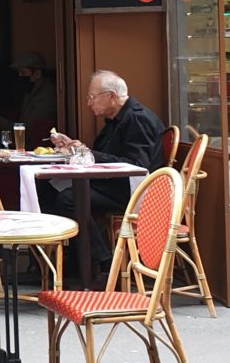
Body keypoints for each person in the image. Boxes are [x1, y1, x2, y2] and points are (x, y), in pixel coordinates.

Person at [48, 70, 165, 275]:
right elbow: (104, 155)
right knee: (50, 187)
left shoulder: (137, 119)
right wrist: (77, 148)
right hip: (116, 184)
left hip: (137, 192)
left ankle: (103, 261)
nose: (88, 103)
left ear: (111, 96)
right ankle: (71, 260)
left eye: (92, 97)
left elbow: (137, 165)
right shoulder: (116, 118)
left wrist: (87, 152)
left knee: (71, 197)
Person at [0, 51, 57, 136]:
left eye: (23, 73)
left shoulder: (46, 96)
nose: (20, 76)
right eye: (18, 73)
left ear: (37, 74)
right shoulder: (32, 90)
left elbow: (27, 129)